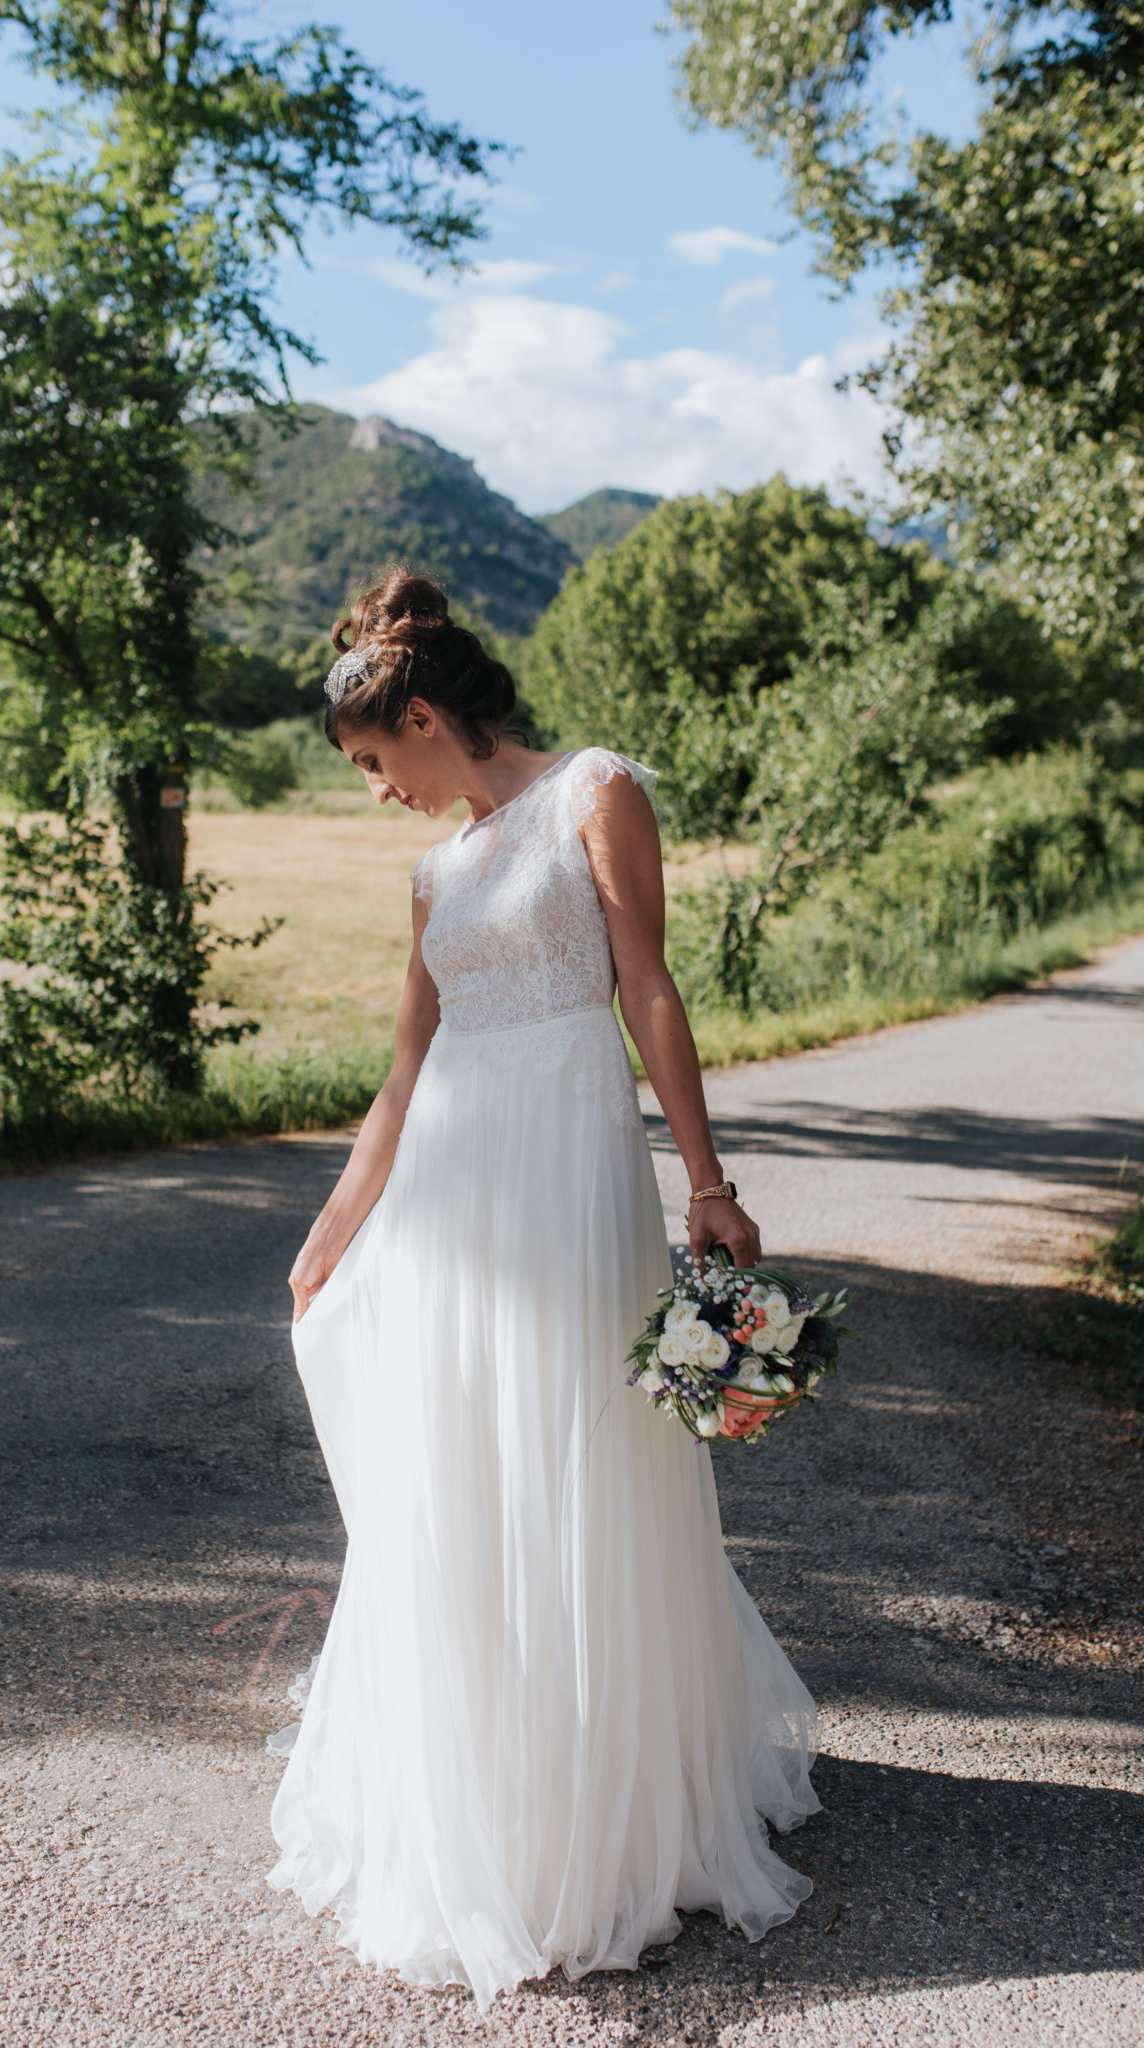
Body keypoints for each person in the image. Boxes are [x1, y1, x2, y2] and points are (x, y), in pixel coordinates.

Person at [269, 569, 819, 2008]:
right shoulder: (436, 873)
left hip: (568, 1170)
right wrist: (333, 1227)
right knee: (450, 1467)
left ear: (432, 718)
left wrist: (706, 1181)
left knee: (574, 1456)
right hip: (451, 1187)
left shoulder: (596, 789)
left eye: (379, 765)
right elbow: (406, 1068)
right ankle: (482, 1783)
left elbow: (647, 987)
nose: (380, 794)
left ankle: (600, 1810)